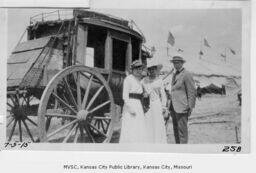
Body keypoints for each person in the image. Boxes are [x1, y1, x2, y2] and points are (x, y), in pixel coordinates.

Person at [168, 54, 196, 144]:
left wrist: (190, 107)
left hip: (182, 107)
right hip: (173, 107)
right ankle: (178, 147)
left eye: (178, 62)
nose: (175, 64)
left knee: (182, 131)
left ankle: (183, 149)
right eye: (174, 63)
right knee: (175, 129)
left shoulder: (187, 74)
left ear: (182, 63)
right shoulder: (174, 74)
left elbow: (192, 91)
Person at [119, 60, 149, 143]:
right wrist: (130, 108)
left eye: (140, 69)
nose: (139, 71)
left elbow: (140, 93)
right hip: (131, 104)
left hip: (138, 104)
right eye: (137, 69)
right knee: (130, 125)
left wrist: (144, 94)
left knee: (138, 125)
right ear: (132, 70)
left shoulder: (139, 80)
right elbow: (125, 96)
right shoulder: (128, 79)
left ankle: (138, 144)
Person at [142, 59, 167, 143]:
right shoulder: (144, 80)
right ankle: (149, 143)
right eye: (150, 69)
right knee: (148, 123)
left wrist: (164, 107)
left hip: (156, 104)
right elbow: (139, 90)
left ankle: (158, 142)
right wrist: (143, 94)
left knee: (157, 123)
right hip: (147, 105)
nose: (152, 71)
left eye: (153, 69)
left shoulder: (159, 81)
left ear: (156, 70)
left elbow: (163, 95)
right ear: (148, 70)